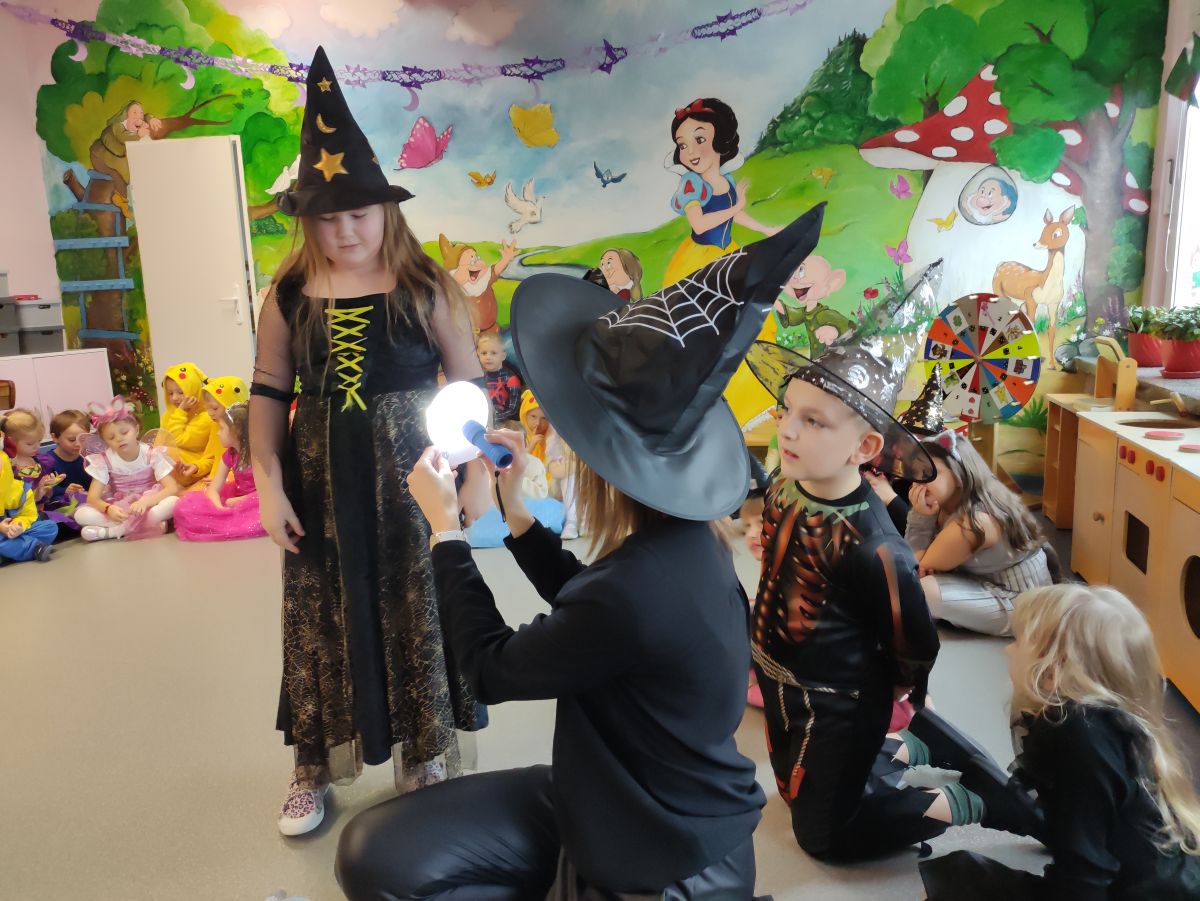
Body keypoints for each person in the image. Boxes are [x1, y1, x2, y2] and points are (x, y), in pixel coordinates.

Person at [335, 204, 829, 899]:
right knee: (373, 850)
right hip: (615, 791)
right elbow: (589, 606)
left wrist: (446, 533)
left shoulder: (635, 588)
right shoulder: (684, 548)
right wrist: (516, 517)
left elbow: (489, 669)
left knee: (377, 866)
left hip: (659, 858)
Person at [248, 47, 488, 838]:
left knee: (417, 604)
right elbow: (267, 393)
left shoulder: (426, 286)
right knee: (321, 613)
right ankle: (312, 764)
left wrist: (474, 477)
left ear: (388, 209)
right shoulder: (288, 294)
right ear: (306, 219)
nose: (344, 229)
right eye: (327, 215)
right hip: (321, 488)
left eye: (358, 212)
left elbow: (468, 386)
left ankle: (424, 751)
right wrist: (269, 485)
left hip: (413, 483)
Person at [921, 584, 1200, 899]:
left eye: (1018, 641)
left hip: (1137, 893)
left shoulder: (1076, 736)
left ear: (1052, 671)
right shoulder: (1098, 722)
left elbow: (1086, 875)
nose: (1007, 650)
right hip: (1160, 882)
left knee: (958, 877)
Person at [904, 430, 1053, 636]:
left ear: (958, 475)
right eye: (916, 474)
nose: (919, 483)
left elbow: (913, 568)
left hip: (1022, 605)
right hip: (989, 580)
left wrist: (920, 517)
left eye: (929, 473)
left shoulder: (972, 523)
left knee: (918, 589)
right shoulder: (961, 498)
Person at [662, 97, 779, 287]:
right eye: (682, 145)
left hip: (727, 252)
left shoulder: (727, 180)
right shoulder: (692, 184)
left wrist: (765, 229)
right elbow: (699, 225)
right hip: (698, 259)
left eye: (699, 140)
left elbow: (734, 215)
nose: (690, 152)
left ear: (721, 140)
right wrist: (736, 207)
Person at [75, 397, 179, 541]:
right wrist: (108, 509)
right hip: (121, 507)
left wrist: (146, 502)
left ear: (136, 429)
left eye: (124, 433)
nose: (119, 439)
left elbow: (172, 488)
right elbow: (93, 498)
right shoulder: (104, 460)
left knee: (174, 501)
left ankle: (112, 532)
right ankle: (148, 525)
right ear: (105, 441)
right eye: (111, 437)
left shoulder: (151, 454)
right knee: (81, 515)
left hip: (148, 503)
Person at [174, 403, 265, 542]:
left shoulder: (257, 455)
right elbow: (213, 489)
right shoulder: (229, 455)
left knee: (260, 513)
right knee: (187, 508)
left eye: (222, 429)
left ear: (236, 431)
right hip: (237, 496)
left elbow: (267, 490)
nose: (218, 433)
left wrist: (238, 501)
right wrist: (220, 510)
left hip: (259, 499)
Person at [160, 362, 217, 488]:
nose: (175, 398)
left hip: (191, 470)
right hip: (169, 472)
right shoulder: (168, 416)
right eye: (170, 393)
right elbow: (159, 443)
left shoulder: (207, 418)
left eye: (180, 392)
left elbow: (176, 440)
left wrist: (181, 412)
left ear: (194, 391)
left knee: (166, 452)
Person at [0, 449, 56, 564]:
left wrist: (17, 526)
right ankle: (34, 548)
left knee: (50, 527)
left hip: (17, 532)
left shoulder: (20, 490)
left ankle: (10, 552)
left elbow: (28, 515)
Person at [2, 409, 60, 504]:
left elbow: (48, 496)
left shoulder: (41, 462)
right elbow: (10, 503)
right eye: (30, 444)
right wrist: (36, 496)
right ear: (11, 441)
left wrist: (49, 487)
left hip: (44, 507)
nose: (37, 446)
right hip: (24, 511)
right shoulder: (8, 468)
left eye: (39, 441)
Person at [477, 332, 522, 427]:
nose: (488, 357)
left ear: (503, 355)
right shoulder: (479, 378)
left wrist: (494, 418)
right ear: (478, 354)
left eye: (493, 353)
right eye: (484, 353)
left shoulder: (511, 379)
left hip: (507, 424)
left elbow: (513, 409)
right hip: (485, 421)